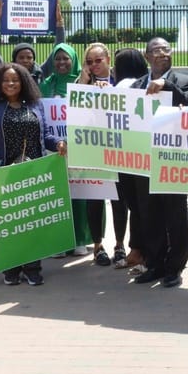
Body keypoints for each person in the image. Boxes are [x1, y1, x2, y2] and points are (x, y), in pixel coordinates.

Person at [0, 63, 66, 285]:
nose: (10, 84)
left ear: (24, 82)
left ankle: (32, 267)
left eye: (15, 80)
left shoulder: (35, 105)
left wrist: (58, 143)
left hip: (32, 171)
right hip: (2, 172)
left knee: (31, 222)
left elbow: (45, 134)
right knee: (9, 222)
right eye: (6, 80)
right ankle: (11, 266)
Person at [130, 37, 188, 288]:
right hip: (143, 160)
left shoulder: (185, 81)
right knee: (149, 216)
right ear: (146, 56)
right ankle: (154, 264)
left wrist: (167, 85)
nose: (161, 53)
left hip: (173, 159)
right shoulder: (136, 85)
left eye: (166, 49)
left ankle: (175, 266)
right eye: (156, 50)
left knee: (175, 216)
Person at [74, 42, 126, 266]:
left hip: (119, 148)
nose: (94, 65)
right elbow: (75, 114)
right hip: (93, 148)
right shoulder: (81, 84)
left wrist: (111, 92)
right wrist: (85, 83)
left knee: (119, 200)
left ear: (108, 59)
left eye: (98, 60)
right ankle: (97, 246)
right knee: (95, 198)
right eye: (89, 62)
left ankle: (120, 245)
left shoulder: (121, 81)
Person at [39, 42, 91, 257]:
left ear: (73, 60)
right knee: (57, 195)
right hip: (55, 149)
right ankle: (59, 241)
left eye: (65, 58)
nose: (61, 62)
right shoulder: (46, 84)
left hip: (80, 147)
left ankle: (80, 239)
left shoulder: (84, 82)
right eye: (57, 59)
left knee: (80, 195)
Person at [112, 47, 150, 271]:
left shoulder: (124, 86)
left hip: (125, 156)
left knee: (135, 206)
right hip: (142, 155)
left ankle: (139, 251)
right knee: (143, 206)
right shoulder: (145, 84)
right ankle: (141, 251)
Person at [0, 0, 67, 82]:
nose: (25, 60)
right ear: (14, 60)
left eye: (29, 57)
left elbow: (58, 51)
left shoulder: (40, 73)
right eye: (21, 57)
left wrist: (60, 23)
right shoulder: (6, 72)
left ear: (33, 60)